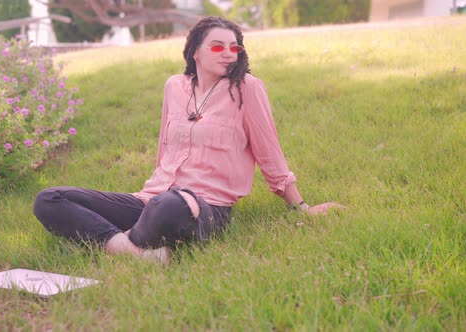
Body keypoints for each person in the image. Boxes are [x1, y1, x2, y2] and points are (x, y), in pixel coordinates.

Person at [33, 17, 342, 264]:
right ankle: (135, 253)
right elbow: (165, 149)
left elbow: (269, 151)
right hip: (151, 198)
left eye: (234, 48)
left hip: (204, 206)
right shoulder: (174, 87)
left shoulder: (247, 88)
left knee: (170, 206)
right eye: (218, 46)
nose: (228, 54)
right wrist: (149, 192)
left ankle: (114, 240)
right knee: (49, 199)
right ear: (196, 50)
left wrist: (301, 206)